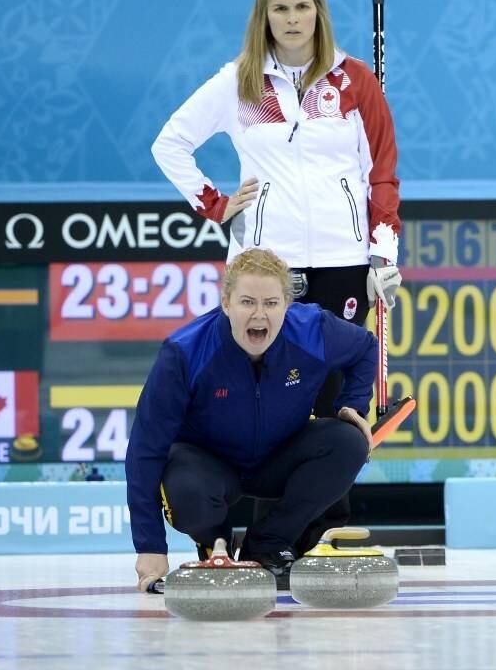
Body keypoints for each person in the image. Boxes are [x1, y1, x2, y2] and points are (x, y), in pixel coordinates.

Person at [150, 0, 402, 414]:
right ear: (264, 16)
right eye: (280, 9)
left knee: (333, 407)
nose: (291, 19)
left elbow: (380, 173)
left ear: (318, 12)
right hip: (267, 266)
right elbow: (170, 144)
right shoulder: (240, 81)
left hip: (343, 260)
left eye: (302, 7)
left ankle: (329, 486)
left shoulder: (356, 81)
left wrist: (384, 254)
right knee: (266, 400)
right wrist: (215, 204)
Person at [125, 248, 376, 592]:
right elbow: (144, 449)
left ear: (287, 304)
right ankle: (215, 545)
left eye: (271, 303)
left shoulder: (313, 330)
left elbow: (365, 348)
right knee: (184, 486)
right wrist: (150, 545)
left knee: (349, 442)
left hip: (279, 457)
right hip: (208, 466)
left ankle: (268, 545)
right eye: (247, 302)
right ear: (226, 303)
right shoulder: (183, 352)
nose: (259, 315)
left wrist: (353, 405)